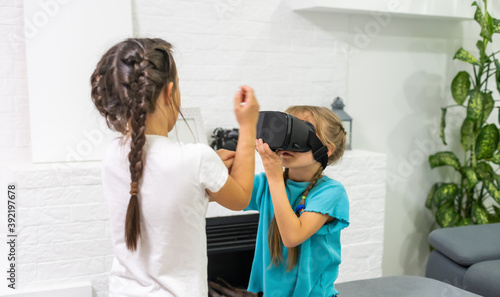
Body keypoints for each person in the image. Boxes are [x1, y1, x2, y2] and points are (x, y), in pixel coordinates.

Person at [89, 38, 259, 297]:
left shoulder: (112, 154)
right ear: (170, 93)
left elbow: (160, 196)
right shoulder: (197, 158)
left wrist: (206, 178)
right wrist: (247, 125)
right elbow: (241, 198)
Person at [247, 106, 349, 297]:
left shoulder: (331, 192)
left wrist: (275, 177)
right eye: (287, 129)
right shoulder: (264, 183)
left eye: (301, 131)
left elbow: (292, 237)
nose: (288, 141)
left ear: (325, 150)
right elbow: (222, 193)